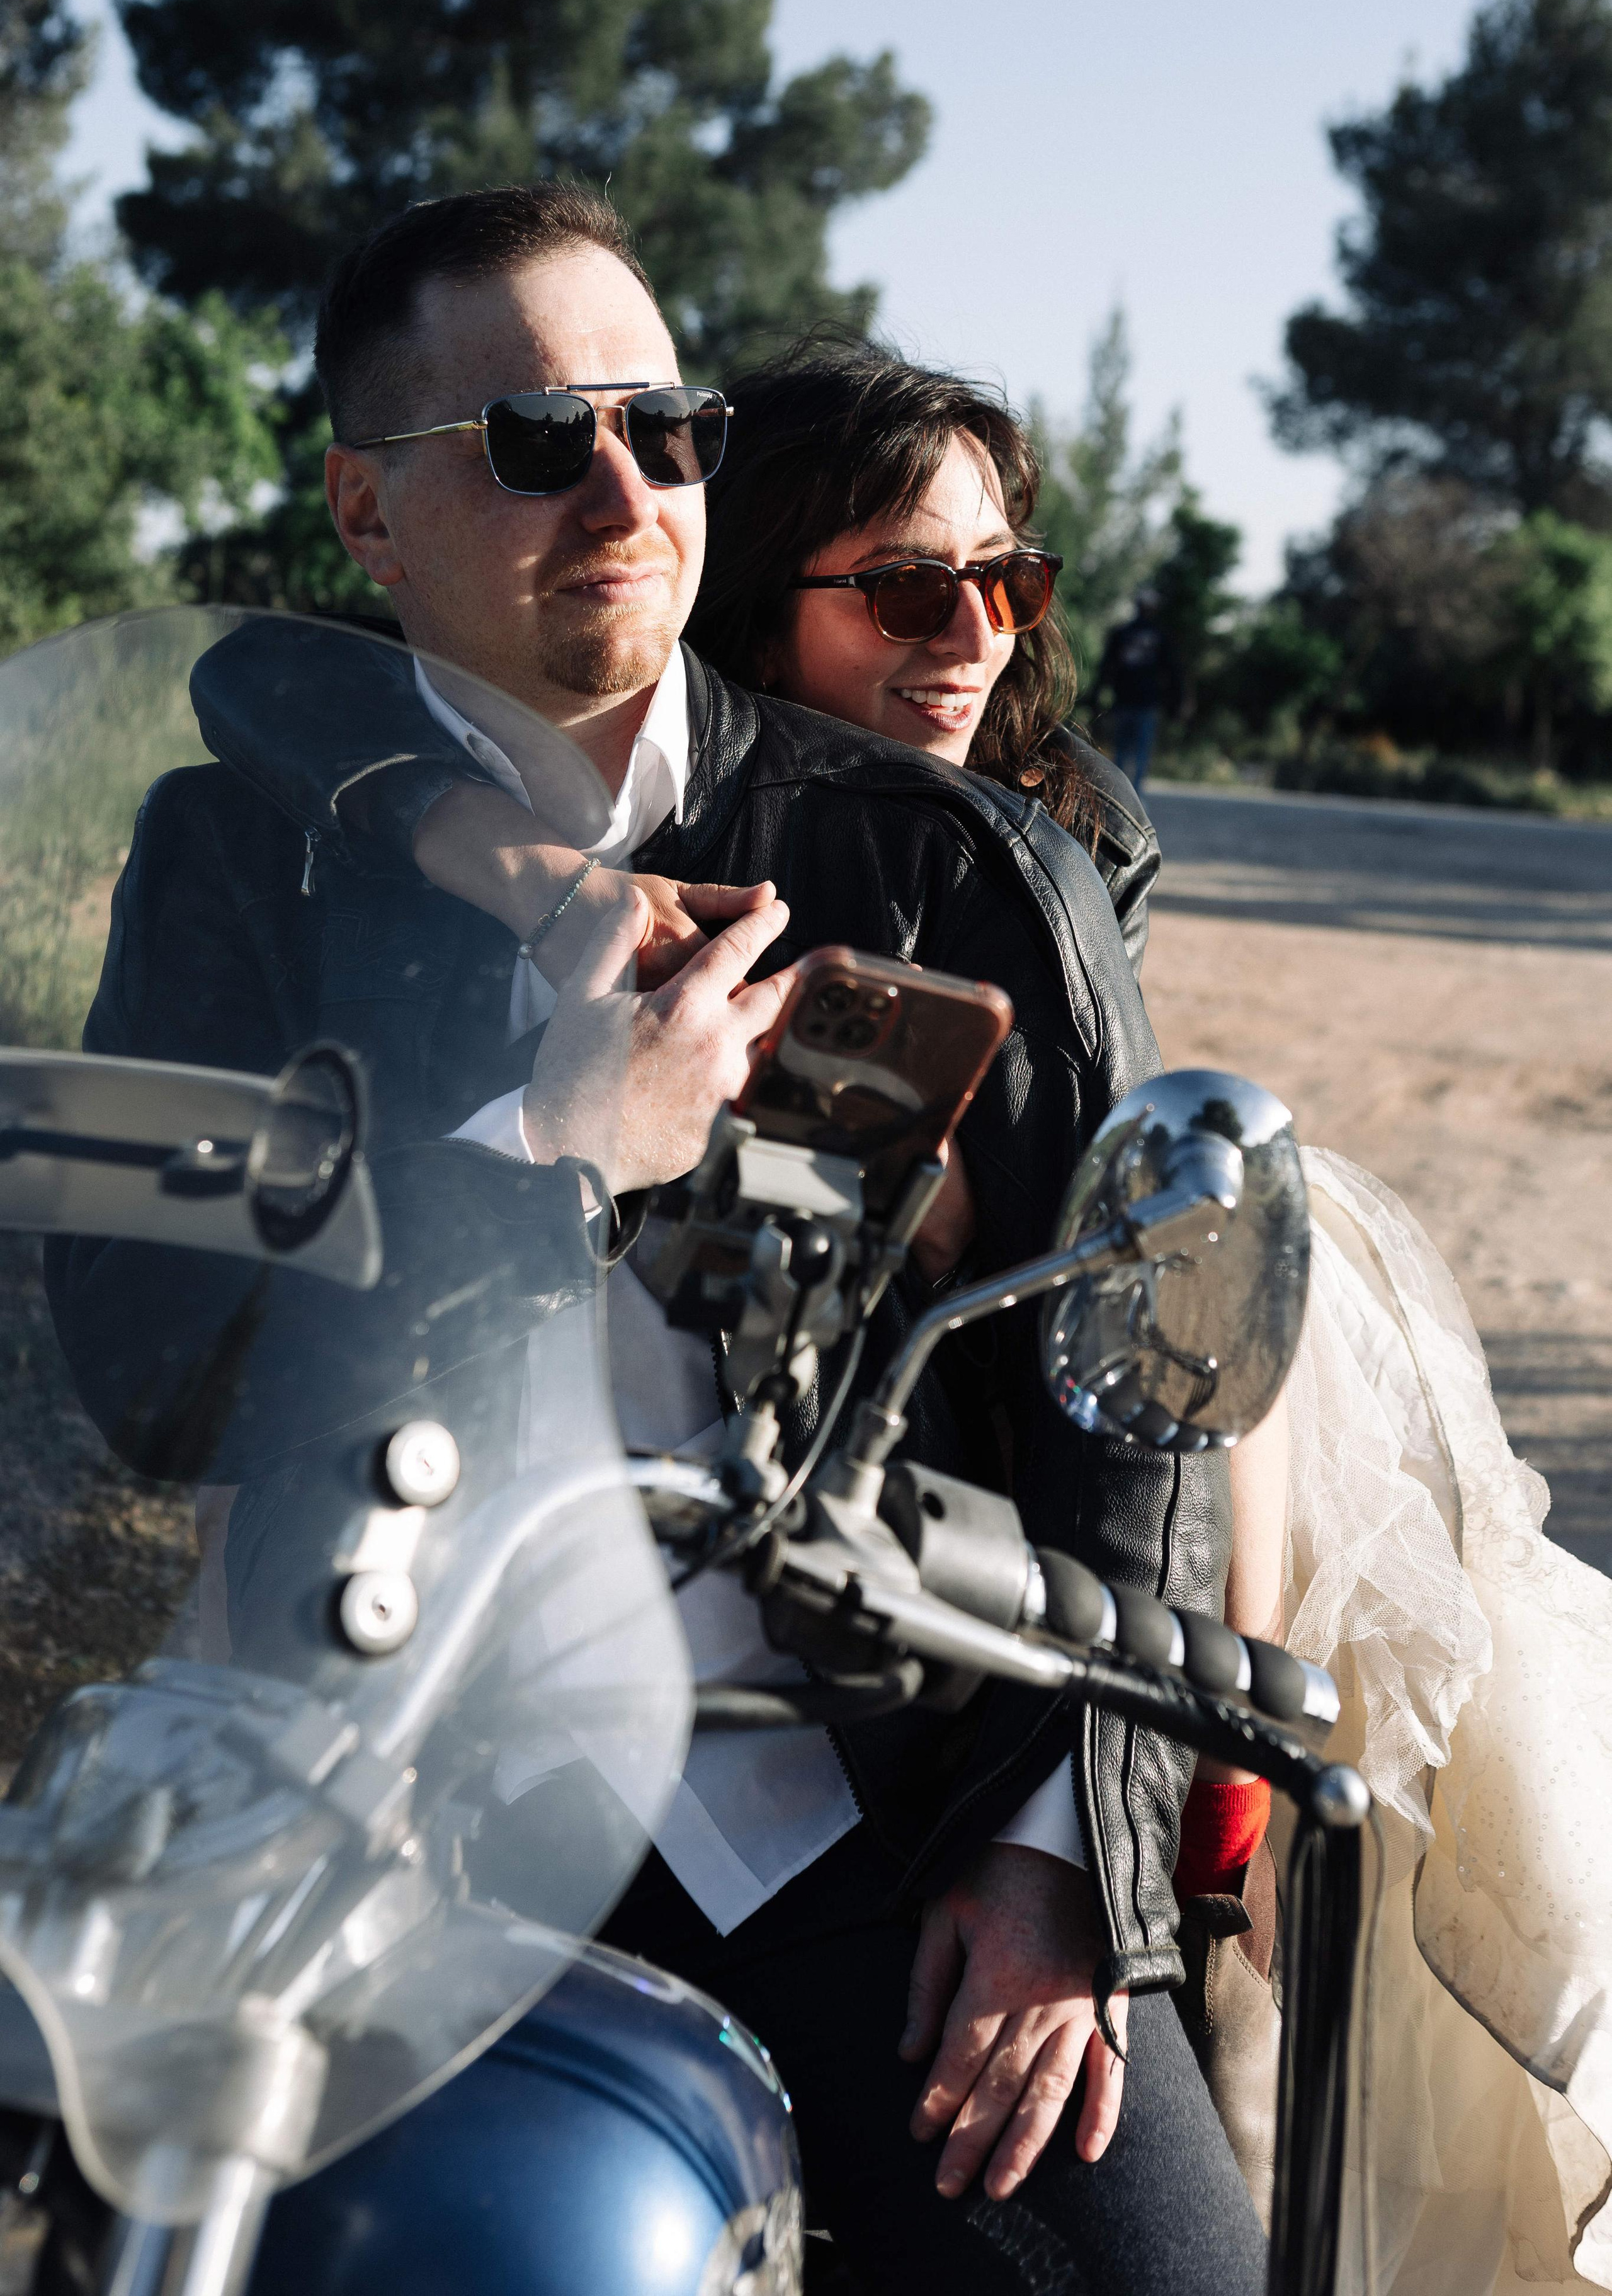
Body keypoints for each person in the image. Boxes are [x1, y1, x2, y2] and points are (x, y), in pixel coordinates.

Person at [242, 322, 1612, 2290]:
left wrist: (1075, 1848)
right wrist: (530, 879)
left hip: (936, 1699)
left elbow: (1143, 1431)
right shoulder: (591, 831)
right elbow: (265, 697)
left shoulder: (1031, 861)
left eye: (1005, 580)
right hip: (489, 1728)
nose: (965, 630)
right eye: (900, 583)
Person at [49, 184, 1266, 2295]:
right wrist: (548, 1143)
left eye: (664, 426)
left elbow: (1129, 1398)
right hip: (386, 1799)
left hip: (876, 1808)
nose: (620, 486)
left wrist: (1058, 1851)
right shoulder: (241, 857)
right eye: (535, 443)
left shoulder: (950, 863)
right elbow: (154, 1379)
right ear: (367, 511)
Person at [1097, 588, 1183, 792]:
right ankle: (1135, 797)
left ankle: (1120, 796)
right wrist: (1178, 700)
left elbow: (1107, 668)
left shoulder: (1123, 633)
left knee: (1122, 752)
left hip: (1125, 700)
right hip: (1145, 702)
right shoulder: (1160, 636)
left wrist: (1098, 695)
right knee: (1140, 753)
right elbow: (1172, 670)